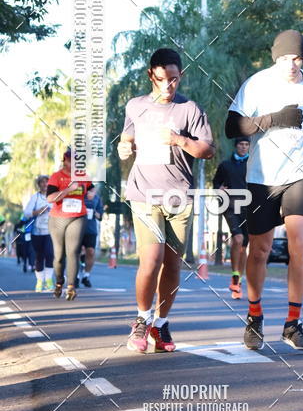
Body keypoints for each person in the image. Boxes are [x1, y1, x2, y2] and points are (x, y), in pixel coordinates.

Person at [226, 29, 303, 352]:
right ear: (276, 57)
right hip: (262, 176)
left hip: (301, 173)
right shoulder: (257, 84)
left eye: (297, 58)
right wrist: (274, 119)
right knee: (259, 249)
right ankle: (254, 316)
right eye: (285, 58)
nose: (291, 64)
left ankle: (293, 324)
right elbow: (232, 126)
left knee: (298, 244)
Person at [118, 47, 214, 354]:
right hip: (145, 193)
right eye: (161, 80)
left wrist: (179, 140)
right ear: (151, 76)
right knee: (152, 259)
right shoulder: (135, 106)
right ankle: (141, 319)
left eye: (173, 80)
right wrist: (123, 146)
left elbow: (207, 150)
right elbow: (128, 137)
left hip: (179, 196)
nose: (167, 86)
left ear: (180, 76)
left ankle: (160, 323)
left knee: (173, 265)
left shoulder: (190, 110)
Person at [47, 148, 92, 300]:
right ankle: (59, 281)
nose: (74, 163)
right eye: (71, 160)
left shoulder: (83, 176)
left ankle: (71, 286)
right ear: (65, 160)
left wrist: (91, 192)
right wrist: (68, 190)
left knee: (73, 252)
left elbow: (92, 189)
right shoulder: (56, 177)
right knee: (59, 255)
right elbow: (50, 198)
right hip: (57, 218)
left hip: (78, 216)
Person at [212, 138, 250, 299]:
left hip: (249, 209)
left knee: (243, 247)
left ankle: (238, 281)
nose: (244, 147)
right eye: (241, 144)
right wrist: (219, 189)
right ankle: (235, 275)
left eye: (247, 144)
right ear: (236, 146)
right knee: (238, 239)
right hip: (230, 207)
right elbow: (216, 184)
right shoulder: (225, 165)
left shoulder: (254, 164)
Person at [23, 175, 53, 291]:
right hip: (37, 231)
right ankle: (40, 281)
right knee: (39, 256)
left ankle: (49, 280)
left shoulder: (53, 197)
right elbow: (26, 213)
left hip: (50, 231)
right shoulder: (35, 197)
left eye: (47, 182)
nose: (45, 184)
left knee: (50, 254)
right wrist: (37, 212)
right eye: (42, 182)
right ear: (39, 184)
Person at [78, 185, 104, 287]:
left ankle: (86, 276)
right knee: (77, 252)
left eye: (92, 191)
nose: (90, 193)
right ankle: (75, 276)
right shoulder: (79, 196)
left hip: (91, 230)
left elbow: (100, 216)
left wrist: (93, 212)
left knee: (91, 252)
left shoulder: (97, 199)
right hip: (78, 229)